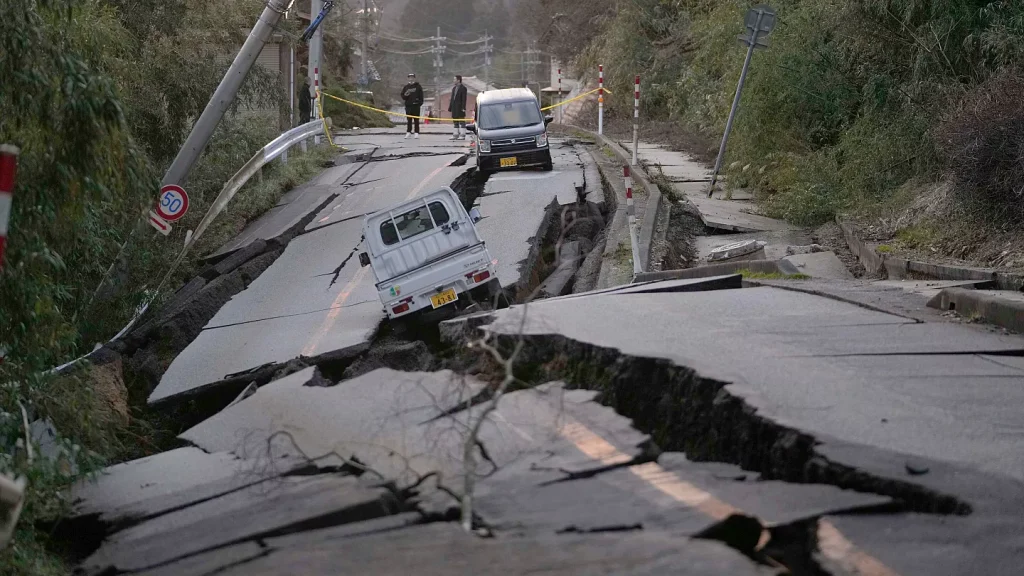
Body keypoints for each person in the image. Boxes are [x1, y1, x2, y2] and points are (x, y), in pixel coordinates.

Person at [401, 73, 424, 139]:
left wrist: (419, 103)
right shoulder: (406, 87)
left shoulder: (418, 86)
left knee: (416, 120)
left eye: (412, 77)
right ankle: (408, 132)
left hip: (416, 106)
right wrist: (405, 95)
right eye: (410, 77)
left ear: (414, 78)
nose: (411, 78)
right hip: (408, 106)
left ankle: (416, 132)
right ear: (408, 78)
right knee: (409, 120)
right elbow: (403, 96)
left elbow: (421, 96)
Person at [448, 75, 468, 140]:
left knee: (462, 121)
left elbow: (464, 99)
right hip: (454, 107)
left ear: (458, 80)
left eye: (454, 79)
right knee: (455, 121)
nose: (454, 81)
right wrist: (450, 107)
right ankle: (455, 134)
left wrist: (463, 108)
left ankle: (462, 135)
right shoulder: (454, 88)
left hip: (460, 107)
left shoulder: (463, 88)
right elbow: (452, 99)